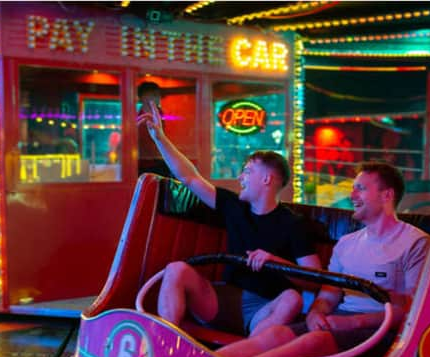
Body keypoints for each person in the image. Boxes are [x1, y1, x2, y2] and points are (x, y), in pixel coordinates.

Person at [216, 161, 430, 357]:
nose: (352, 195)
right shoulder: (346, 244)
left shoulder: (416, 242)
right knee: (276, 334)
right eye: (353, 188)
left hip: (382, 331)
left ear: (387, 195)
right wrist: (315, 313)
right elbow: (328, 296)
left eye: (361, 189)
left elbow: (412, 310)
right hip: (338, 322)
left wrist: (353, 322)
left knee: (313, 342)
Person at [138, 101, 322, 337]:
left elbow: (314, 279)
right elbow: (190, 178)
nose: (240, 176)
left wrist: (274, 261)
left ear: (267, 179)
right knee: (176, 269)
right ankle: (166, 343)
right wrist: (159, 138)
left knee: (292, 298)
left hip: (265, 309)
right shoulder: (233, 206)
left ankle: (246, 356)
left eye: (247, 171)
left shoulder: (293, 224)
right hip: (223, 300)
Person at [137, 82, 172, 177]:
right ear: (142, 97)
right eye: (153, 94)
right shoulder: (136, 117)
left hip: (162, 161)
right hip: (143, 164)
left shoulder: (162, 115)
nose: (157, 98)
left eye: (158, 95)